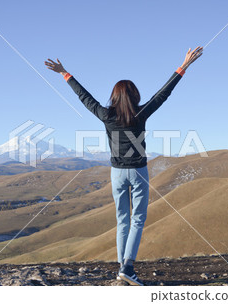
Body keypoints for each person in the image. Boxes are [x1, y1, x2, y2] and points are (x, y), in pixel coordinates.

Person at [45, 47, 203, 285]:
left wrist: (64, 73)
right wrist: (184, 66)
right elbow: (163, 93)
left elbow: (84, 97)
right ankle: (127, 267)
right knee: (137, 219)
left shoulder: (105, 114)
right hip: (138, 171)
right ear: (135, 95)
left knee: (122, 220)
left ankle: (123, 268)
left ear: (115, 96)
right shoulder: (140, 114)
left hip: (117, 173)